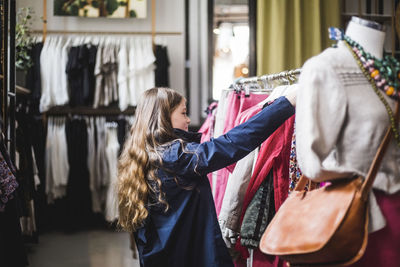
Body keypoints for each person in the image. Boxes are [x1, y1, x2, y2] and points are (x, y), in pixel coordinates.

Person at [117, 87, 297, 267]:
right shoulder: (176, 157)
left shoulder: (144, 155)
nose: (188, 120)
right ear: (163, 117)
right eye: (184, 113)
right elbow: (233, 143)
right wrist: (287, 103)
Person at [296, 16, 400, 266]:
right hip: (364, 218)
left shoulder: (390, 69)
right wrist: (356, 177)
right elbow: (311, 161)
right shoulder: (325, 68)